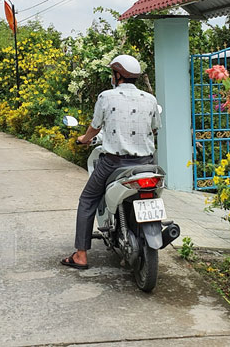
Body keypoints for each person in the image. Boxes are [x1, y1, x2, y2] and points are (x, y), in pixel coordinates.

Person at [60, 54, 161, 270]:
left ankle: (80, 255)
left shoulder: (106, 97)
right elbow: (153, 128)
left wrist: (84, 140)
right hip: (146, 164)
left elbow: (96, 127)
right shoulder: (150, 99)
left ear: (117, 74)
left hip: (115, 163)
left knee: (87, 200)